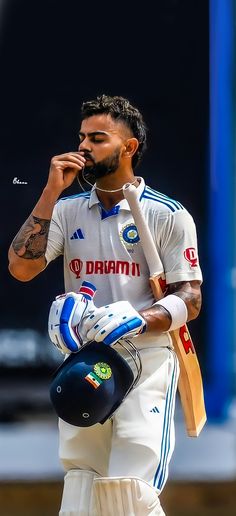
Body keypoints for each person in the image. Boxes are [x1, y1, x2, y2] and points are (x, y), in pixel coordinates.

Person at [8, 94, 203, 515]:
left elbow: (190, 299)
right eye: (81, 137)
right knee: (81, 486)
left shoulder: (168, 214)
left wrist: (138, 317)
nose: (83, 147)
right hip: (84, 358)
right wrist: (49, 191)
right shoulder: (67, 210)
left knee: (127, 491)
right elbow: (21, 268)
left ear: (128, 147)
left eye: (98, 138)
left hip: (146, 358)